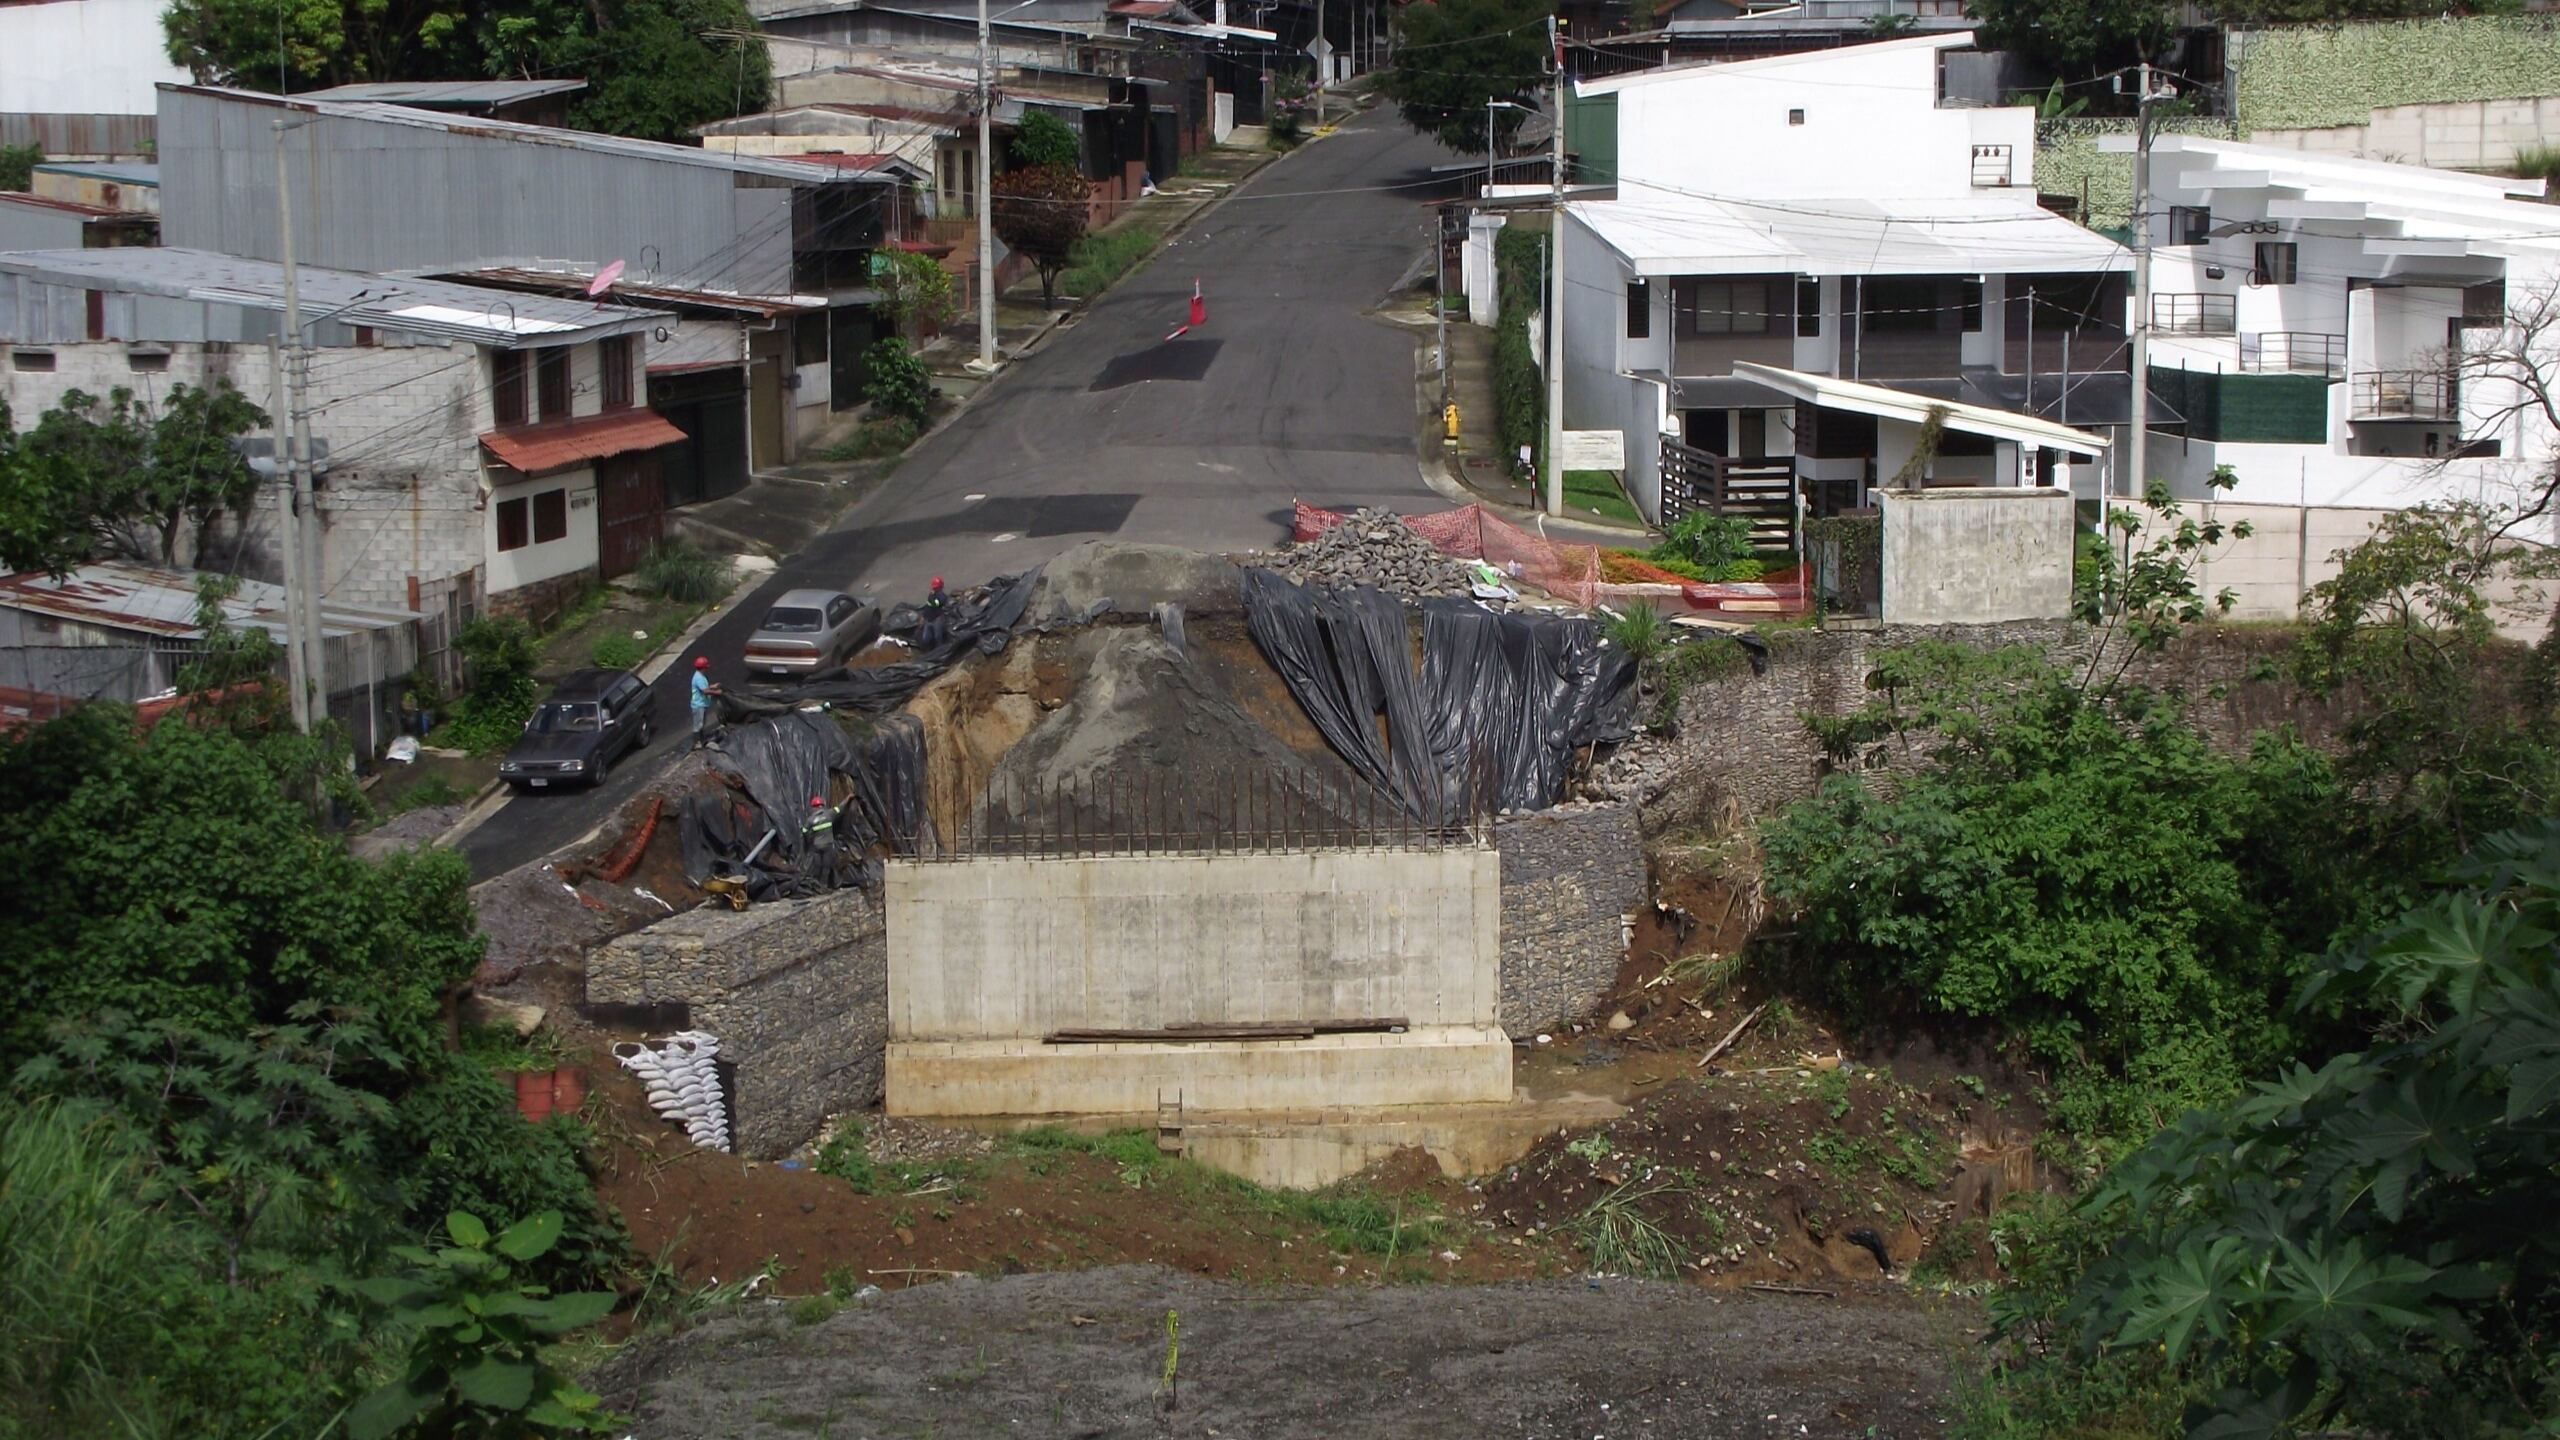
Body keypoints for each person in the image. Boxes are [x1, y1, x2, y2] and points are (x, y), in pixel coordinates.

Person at [688, 657, 722, 750]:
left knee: (701, 723)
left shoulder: (700, 676)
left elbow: (705, 687)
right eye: (706, 667)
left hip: (702, 704)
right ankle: (697, 742)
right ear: (703, 667)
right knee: (698, 724)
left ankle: (701, 739)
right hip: (698, 705)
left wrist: (713, 686)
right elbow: (705, 691)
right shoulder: (698, 677)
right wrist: (717, 692)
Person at [918, 575, 949, 651]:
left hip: (937, 620)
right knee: (926, 639)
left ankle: (939, 652)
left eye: (936, 587)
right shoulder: (931, 595)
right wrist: (923, 617)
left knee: (937, 637)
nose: (934, 588)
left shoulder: (942, 596)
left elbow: (936, 604)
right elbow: (928, 606)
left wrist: (932, 596)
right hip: (929, 619)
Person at [808, 794, 836, 871]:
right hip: (828, 844)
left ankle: (817, 881)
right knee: (827, 866)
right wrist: (848, 798)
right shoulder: (829, 814)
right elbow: (840, 808)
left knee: (817, 866)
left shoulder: (811, 819)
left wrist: (808, 839)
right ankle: (824, 882)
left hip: (817, 845)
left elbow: (804, 831)